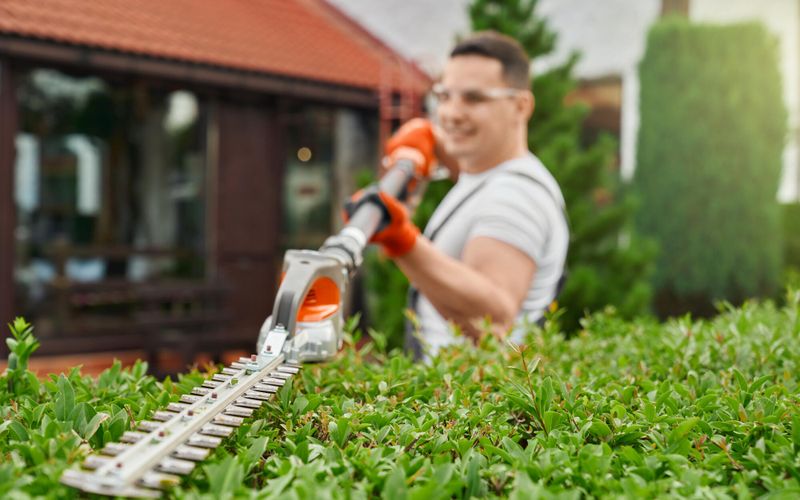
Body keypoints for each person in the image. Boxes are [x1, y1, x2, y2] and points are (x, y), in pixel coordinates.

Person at [352, 31, 569, 357]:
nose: (451, 113)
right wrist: (428, 142)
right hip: (457, 391)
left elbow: (494, 316)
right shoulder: (490, 172)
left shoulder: (515, 196)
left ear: (521, 106)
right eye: (444, 96)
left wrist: (401, 241)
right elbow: (467, 166)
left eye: (474, 99)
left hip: (470, 399)